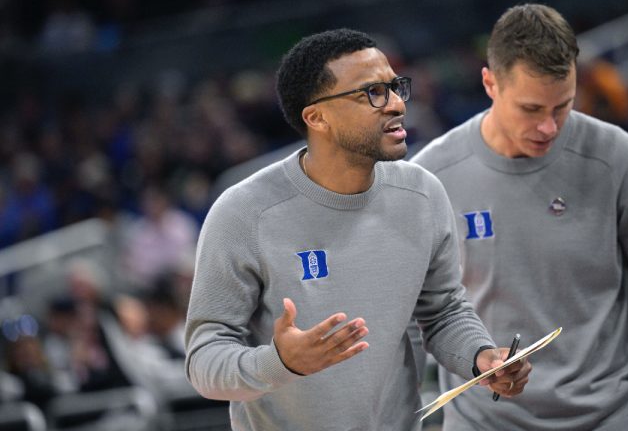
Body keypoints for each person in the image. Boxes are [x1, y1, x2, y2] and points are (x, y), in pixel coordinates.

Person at [184, 28, 531, 431]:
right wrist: (280, 363)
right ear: (317, 117)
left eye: (395, 86)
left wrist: (482, 357)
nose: (397, 104)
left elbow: (444, 311)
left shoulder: (422, 194)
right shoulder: (244, 213)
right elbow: (203, 360)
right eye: (372, 93)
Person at [411, 4, 628, 431]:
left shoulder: (619, 159)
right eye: (530, 109)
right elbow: (415, 318)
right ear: (490, 83)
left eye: (562, 106)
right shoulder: (432, 176)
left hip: (611, 419)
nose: (549, 127)